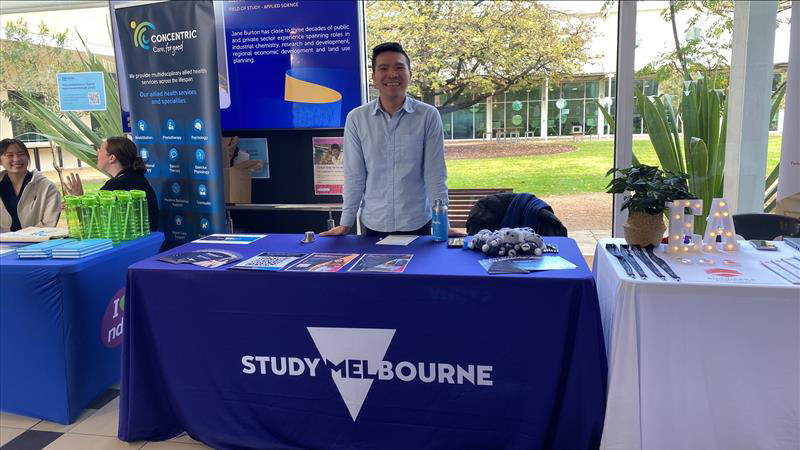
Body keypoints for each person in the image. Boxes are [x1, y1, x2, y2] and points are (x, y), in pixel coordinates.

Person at [321, 42, 462, 238]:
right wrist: (346, 223)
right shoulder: (357, 118)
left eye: (399, 67)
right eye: (383, 68)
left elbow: (435, 174)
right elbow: (354, 175)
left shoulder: (428, 116)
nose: (392, 74)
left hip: (417, 222)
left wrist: (443, 223)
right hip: (373, 224)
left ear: (410, 74)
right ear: (374, 78)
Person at [64, 136, 159, 231]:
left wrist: (77, 201)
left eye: (100, 150)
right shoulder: (136, 177)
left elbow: (95, 224)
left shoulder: (116, 186)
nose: (97, 154)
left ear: (112, 158)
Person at [0, 138, 62, 232]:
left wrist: (22, 238)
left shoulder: (46, 187)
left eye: (21, 154)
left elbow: (48, 224)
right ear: (0, 161)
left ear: (27, 157)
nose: (16, 159)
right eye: (10, 155)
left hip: (35, 244)